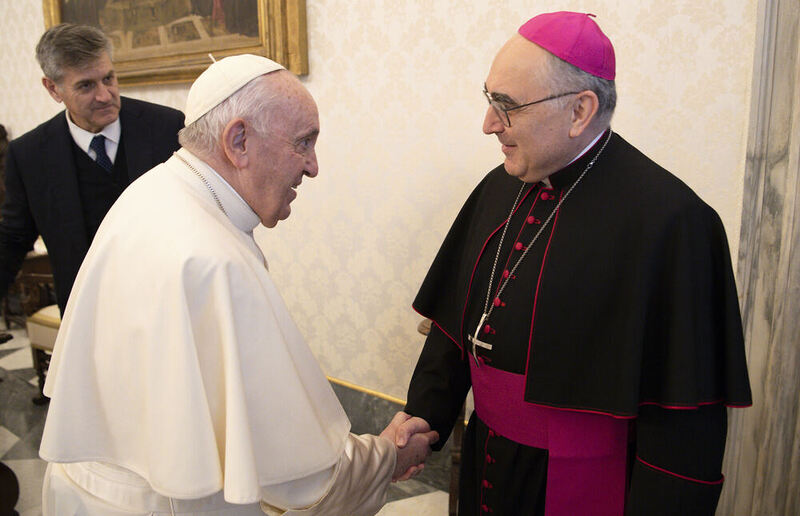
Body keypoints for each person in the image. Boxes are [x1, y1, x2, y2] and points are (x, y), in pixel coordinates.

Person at [39, 54, 437, 516]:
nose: (313, 167)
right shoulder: (212, 259)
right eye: (303, 143)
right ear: (239, 140)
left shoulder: (154, 190)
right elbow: (301, 482)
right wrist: (387, 456)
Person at [389, 11, 752, 516]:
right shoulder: (499, 188)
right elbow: (458, 328)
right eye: (489, 99)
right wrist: (423, 420)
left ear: (580, 110)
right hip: (485, 464)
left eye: (507, 106)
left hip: (585, 487)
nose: (489, 124)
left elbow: (684, 427)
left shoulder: (674, 223)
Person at [0, 23, 184, 316]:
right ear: (53, 88)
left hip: (168, 302)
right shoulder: (29, 154)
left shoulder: (166, 128)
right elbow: (13, 237)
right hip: (86, 314)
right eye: (86, 85)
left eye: (108, 78)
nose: (105, 95)